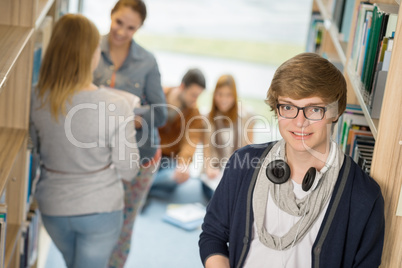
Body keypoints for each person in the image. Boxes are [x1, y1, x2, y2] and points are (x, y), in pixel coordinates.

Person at [199, 53, 385, 267]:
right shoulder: (243, 164)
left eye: (314, 109)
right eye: (288, 107)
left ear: (336, 111)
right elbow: (213, 235)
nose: (299, 122)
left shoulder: (364, 197)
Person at [30, 14, 140, 268]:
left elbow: (35, 146)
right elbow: (128, 170)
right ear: (90, 55)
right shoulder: (116, 105)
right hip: (100, 210)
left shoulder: (35, 97)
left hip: (52, 208)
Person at [92, 0, 167, 267]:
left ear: (139, 28)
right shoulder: (90, 49)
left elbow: (160, 115)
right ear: (111, 15)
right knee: (96, 221)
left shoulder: (147, 61)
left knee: (122, 226)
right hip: (100, 156)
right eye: (118, 22)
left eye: (131, 28)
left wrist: (131, 116)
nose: (122, 32)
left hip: (140, 157)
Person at [149, 68, 206, 197]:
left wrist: (183, 164)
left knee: (176, 177)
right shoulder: (158, 95)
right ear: (182, 87)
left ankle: (141, 186)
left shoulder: (194, 113)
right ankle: (146, 186)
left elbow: (191, 141)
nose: (195, 100)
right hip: (149, 154)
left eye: (198, 96)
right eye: (193, 94)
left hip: (168, 160)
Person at [201, 74, 254, 199]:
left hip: (236, 174)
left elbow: (248, 152)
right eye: (220, 94)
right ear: (214, 95)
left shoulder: (246, 117)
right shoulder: (207, 118)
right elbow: (207, 151)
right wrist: (209, 169)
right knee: (220, 198)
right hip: (214, 175)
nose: (223, 99)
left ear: (234, 96)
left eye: (228, 95)